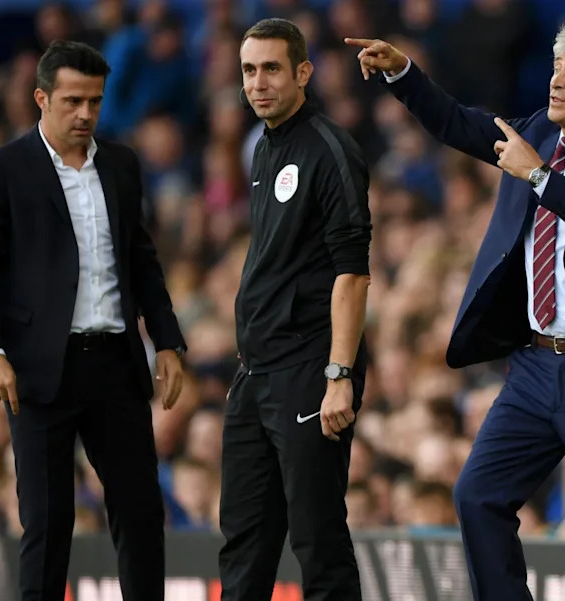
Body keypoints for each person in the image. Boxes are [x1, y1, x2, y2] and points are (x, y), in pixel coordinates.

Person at [347, 23, 565, 601]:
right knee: (478, 496)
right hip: (533, 363)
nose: (555, 80)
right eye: (555, 67)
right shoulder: (534, 135)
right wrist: (403, 74)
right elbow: (457, 123)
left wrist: (537, 175)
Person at [0, 40, 186, 601]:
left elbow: (140, 258)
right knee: (47, 524)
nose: (85, 113)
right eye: (72, 101)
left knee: (141, 514)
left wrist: (166, 339)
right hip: (39, 370)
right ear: (41, 98)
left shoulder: (120, 164)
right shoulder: (1, 170)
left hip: (116, 364)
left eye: (94, 101)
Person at [219, 18, 372, 601]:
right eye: (249, 71)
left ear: (304, 72)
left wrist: (338, 376)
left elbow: (352, 273)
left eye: (272, 69)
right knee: (243, 543)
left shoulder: (329, 148)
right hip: (256, 373)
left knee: (317, 539)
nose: (258, 83)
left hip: (311, 370)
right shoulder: (264, 147)